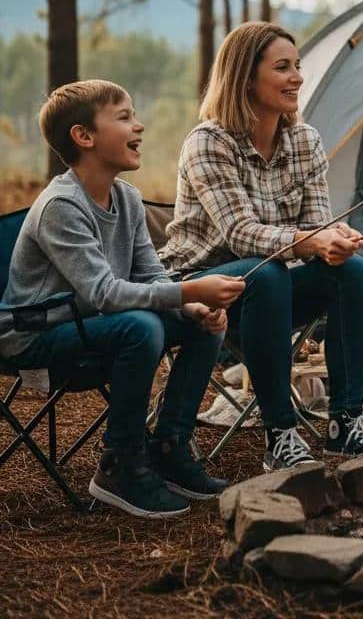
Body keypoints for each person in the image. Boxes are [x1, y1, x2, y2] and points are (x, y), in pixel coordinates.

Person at [159, 22, 363, 472]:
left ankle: (345, 423)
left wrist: (334, 241)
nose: (297, 78)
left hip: (272, 293)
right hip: (202, 291)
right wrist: (311, 241)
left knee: (354, 271)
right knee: (264, 272)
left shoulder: (305, 141)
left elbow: (315, 226)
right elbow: (240, 234)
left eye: (297, 66)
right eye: (282, 67)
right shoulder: (208, 142)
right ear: (246, 77)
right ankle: (280, 433)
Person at [0, 81, 242, 517]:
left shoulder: (127, 198)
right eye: (125, 117)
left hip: (92, 323)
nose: (139, 126)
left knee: (202, 321)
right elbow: (105, 293)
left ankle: (169, 446)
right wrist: (188, 289)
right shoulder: (61, 206)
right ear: (84, 136)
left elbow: (150, 275)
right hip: (35, 335)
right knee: (141, 326)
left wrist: (191, 306)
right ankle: (121, 464)